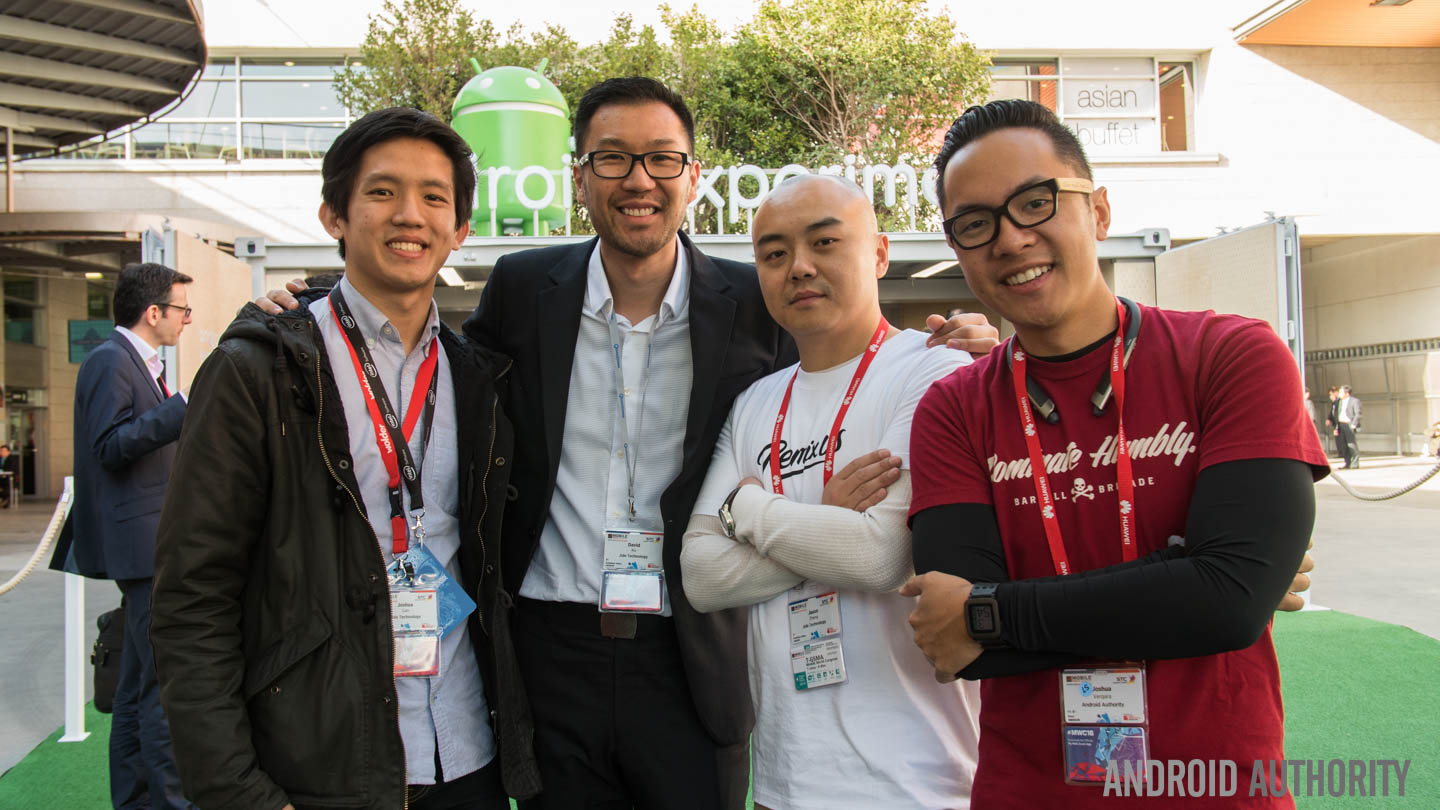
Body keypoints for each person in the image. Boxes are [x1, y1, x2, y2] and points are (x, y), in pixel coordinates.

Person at [258, 78, 997, 808]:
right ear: (580, 177)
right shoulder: (523, 288)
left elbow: (835, 360)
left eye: (662, 159)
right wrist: (310, 305)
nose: (639, 180)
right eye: (612, 158)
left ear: (693, 178)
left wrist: (963, 342)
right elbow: (437, 358)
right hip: (550, 650)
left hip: (692, 652)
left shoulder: (754, 298)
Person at [900, 100, 1328, 809]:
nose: (1010, 239)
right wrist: (1184, 576)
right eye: (975, 223)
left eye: (1035, 203)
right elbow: (959, 640)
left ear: (1098, 211)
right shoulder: (953, 409)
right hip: (1029, 792)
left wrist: (995, 612)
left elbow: (1230, 604)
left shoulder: (1231, 355)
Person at [150, 107, 536, 810]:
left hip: (467, 754)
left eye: (434, 197)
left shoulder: (479, 377)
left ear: (460, 229)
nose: (409, 215)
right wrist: (236, 791)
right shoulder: (258, 371)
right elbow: (193, 595)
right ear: (334, 214)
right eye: (382, 191)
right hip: (322, 764)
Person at [681, 174, 981, 809]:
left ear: (879, 253)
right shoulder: (755, 402)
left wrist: (745, 508)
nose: (799, 266)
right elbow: (701, 576)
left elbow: (880, 556)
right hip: (785, 781)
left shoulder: (934, 370)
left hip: (919, 783)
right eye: (774, 253)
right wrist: (825, 519)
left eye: (824, 242)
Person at [68, 261, 193, 810]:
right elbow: (109, 446)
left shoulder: (132, 361)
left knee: (137, 683)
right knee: (158, 686)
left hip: (147, 542)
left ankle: (137, 798)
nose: (187, 319)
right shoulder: (110, 360)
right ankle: (167, 800)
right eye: (182, 309)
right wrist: (179, 409)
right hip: (140, 546)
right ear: (154, 312)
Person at [1336, 384, 1362, 468]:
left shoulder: (1354, 401)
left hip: (1349, 424)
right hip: (1341, 424)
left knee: (1351, 444)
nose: (1339, 394)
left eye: (1341, 392)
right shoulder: (1339, 401)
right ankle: (1347, 463)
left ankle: (1355, 463)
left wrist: (1353, 424)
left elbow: (1358, 414)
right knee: (1343, 445)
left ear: (1347, 393)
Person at [1325, 385, 1340, 456]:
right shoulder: (1334, 403)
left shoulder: (1339, 401)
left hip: (1339, 423)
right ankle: (1340, 452)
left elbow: (1337, 413)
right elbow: (1332, 412)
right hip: (1335, 423)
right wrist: (1329, 419)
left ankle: (1343, 453)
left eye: (1331, 394)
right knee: (1337, 438)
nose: (1330, 396)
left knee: (1340, 438)